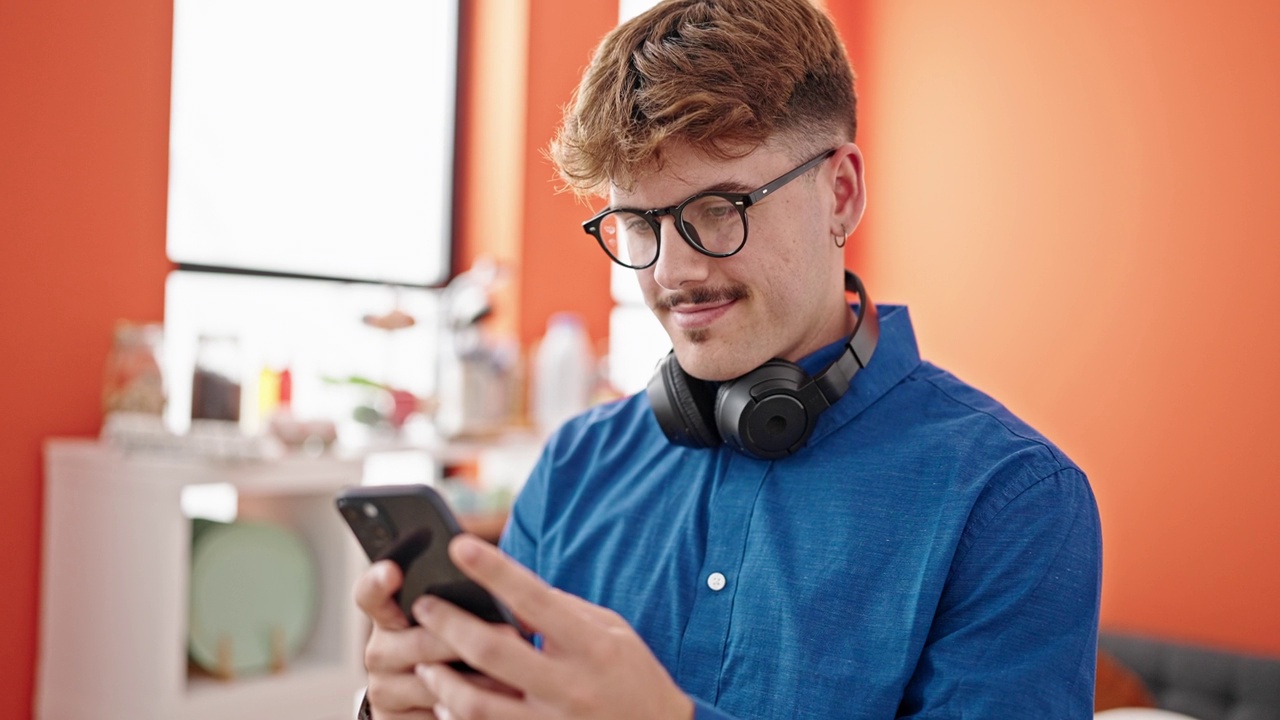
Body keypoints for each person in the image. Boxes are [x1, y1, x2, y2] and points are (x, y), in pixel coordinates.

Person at [353, 0, 1102, 718]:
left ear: (839, 193)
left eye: (719, 210)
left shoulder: (1014, 500)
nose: (673, 273)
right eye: (638, 224)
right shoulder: (575, 465)